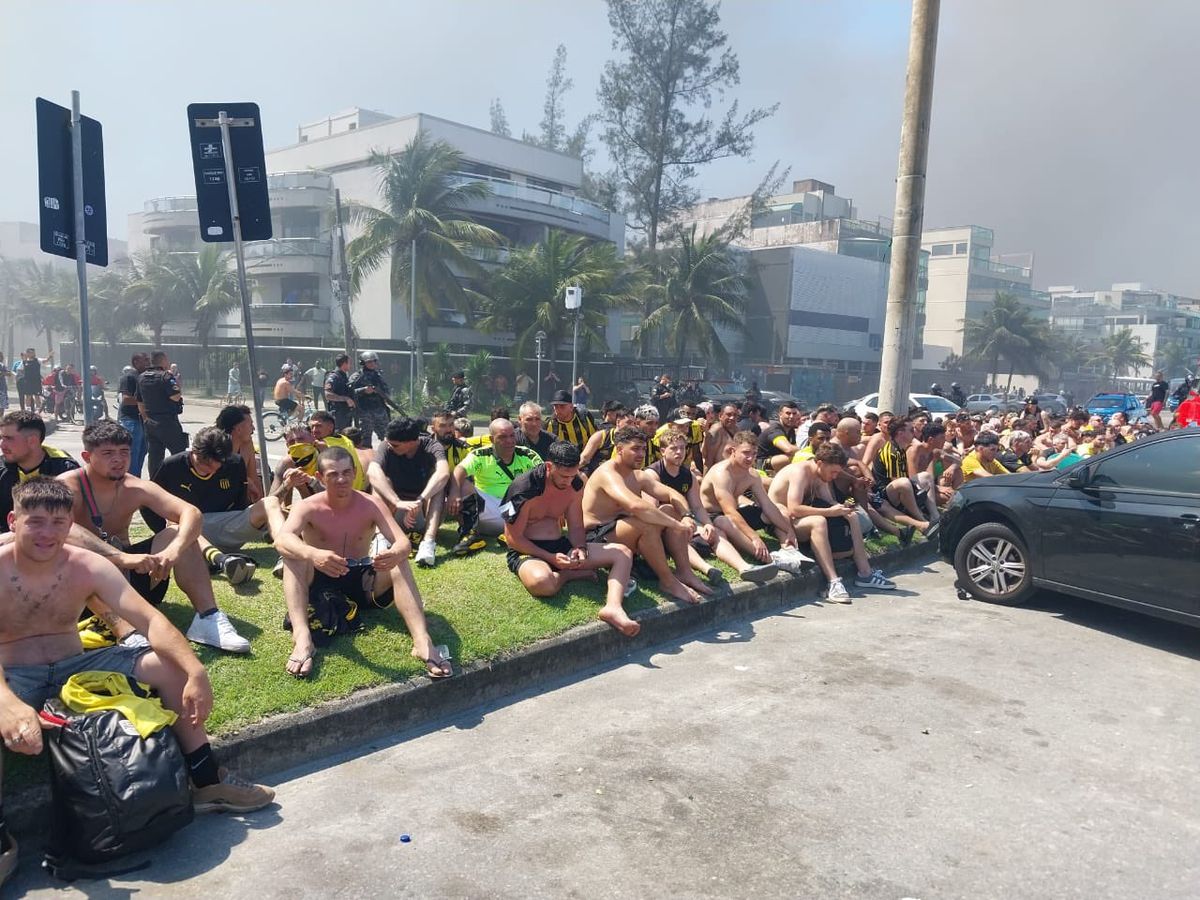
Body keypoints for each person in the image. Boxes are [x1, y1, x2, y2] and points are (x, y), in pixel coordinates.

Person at [0, 477, 274, 874]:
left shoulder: (85, 565)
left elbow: (150, 621)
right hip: (14, 670)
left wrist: (195, 670)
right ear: (13, 520)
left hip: (75, 664)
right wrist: (8, 703)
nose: (48, 533)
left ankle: (206, 778)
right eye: (36, 521)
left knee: (168, 664)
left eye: (59, 523)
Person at [57, 422, 251, 653]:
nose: (118, 460)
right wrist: (119, 557)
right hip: (82, 591)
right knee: (79, 557)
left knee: (178, 533)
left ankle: (207, 618)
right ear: (87, 456)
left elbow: (191, 513)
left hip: (133, 582)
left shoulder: (135, 486)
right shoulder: (66, 486)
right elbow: (62, 528)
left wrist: (173, 551)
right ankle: (125, 632)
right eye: (108, 453)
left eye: (124, 452)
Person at [274, 446, 451, 680]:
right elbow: (282, 540)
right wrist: (313, 554)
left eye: (347, 472)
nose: (341, 479)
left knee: (398, 560)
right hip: (321, 577)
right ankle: (303, 637)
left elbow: (402, 543)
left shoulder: (370, 504)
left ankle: (422, 640)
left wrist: (395, 552)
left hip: (361, 579)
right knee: (293, 556)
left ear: (355, 472)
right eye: (332, 474)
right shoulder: (308, 506)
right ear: (319, 477)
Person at [502, 441, 640, 636]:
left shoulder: (576, 483)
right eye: (563, 476)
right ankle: (569, 575)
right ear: (549, 466)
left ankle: (613, 607)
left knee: (623, 553)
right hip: (528, 551)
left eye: (572, 475)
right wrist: (550, 559)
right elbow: (512, 539)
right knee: (542, 583)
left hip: (561, 545)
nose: (568, 481)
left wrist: (580, 548)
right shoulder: (523, 488)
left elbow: (575, 525)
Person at [582, 426, 713, 605]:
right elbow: (636, 506)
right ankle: (668, 581)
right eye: (635, 448)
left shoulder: (638, 475)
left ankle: (685, 572)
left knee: (670, 509)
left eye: (643, 449)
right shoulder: (608, 473)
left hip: (623, 530)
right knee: (646, 524)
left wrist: (686, 515)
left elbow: (672, 494)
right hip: (597, 537)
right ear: (619, 449)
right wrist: (676, 525)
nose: (641, 454)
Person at [142, 426, 287, 586]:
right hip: (186, 533)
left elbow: (239, 506)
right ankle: (223, 561)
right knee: (183, 519)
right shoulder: (172, 465)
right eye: (202, 462)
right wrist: (163, 531)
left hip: (227, 526)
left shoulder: (235, 463)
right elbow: (147, 502)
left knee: (270, 502)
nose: (206, 469)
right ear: (193, 451)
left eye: (214, 466)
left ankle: (287, 554)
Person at [768, 442, 896, 602]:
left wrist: (843, 509)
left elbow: (830, 502)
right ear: (820, 463)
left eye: (837, 472)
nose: (835, 477)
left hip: (799, 520)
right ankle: (834, 582)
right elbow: (793, 508)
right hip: (781, 522)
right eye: (833, 472)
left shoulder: (821, 475)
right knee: (819, 521)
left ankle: (865, 573)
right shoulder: (800, 472)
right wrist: (830, 511)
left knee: (852, 516)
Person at [646, 429, 777, 584]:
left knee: (717, 532)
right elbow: (651, 511)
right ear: (662, 451)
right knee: (667, 509)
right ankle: (707, 569)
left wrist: (707, 524)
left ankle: (744, 567)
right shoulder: (652, 474)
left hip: (686, 522)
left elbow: (697, 507)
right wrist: (680, 524)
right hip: (663, 527)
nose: (679, 452)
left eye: (682, 448)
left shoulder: (688, 475)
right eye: (673, 448)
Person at [699, 431, 799, 579]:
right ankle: (770, 559)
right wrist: (755, 537)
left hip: (735, 514)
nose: (750, 458)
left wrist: (788, 529)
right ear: (733, 451)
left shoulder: (752, 475)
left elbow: (767, 505)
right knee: (724, 521)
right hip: (713, 516)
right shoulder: (722, 473)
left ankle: (790, 550)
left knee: (779, 509)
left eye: (754, 454)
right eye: (746, 453)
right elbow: (729, 512)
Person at [447, 418, 541, 555]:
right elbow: (459, 470)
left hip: (516, 511)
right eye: (502, 437)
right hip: (485, 512)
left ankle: (512, 534)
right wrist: (454, 493)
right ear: (491, 439)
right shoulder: (480, 455)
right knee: (462, 484)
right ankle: (470, 535)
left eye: (512, 435)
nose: (509, 441)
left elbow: (546, 475)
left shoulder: (527, 454)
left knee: (537, 486)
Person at [367, 417, 448, 568]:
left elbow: (443, 473)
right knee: (381, 481)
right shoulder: (387, 445)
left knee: (439, 486)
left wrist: (420, 499)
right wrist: (398, 502)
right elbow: (372, 472)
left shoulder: (432, 446)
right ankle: (380, 538)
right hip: (392, 512)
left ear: (411, 442)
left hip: (422, 512)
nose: (390, 447)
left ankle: (428, 543)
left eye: (395, 445)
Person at [0, 411, 79, 527]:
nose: (2, 444)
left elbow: (74, 522)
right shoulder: (2, 468)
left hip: (54, 536)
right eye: (1, 438)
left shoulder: (65, 469)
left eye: (8, 438)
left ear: (32, 441)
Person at [868, 416, 938, 537]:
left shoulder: (901, 448)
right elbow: (896, 480)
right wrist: (917, 489)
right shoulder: (890, 452)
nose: (914, 433)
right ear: (900, 433)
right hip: (883, 494)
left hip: (897, 488)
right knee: (904, 483)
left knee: (925, 476)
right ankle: (921, 519)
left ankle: (935, 516)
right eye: (911, 430)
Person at [137, 349, 187, 478]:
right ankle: (179, 480)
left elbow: (140, 402)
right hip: (168, 422)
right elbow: (175, 396)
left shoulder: (141, 377)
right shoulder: (166, 376)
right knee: (179, 453)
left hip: (150, 423)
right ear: (163, 360)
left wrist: (146, 419)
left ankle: (155, 481)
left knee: (155, 455)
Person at [215, 404, 264, 503]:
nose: (253, 429)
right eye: (250, 425)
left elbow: (253, 477)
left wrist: (262, 505)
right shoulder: (215, 448)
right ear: (238, 429)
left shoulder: (247, 444)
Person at [350, 351, 391, 441]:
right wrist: (363, 390)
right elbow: (350, 393)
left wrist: (381, 393)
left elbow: (386, 391)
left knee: (387, 438)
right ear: (363, 363)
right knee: (365, 440)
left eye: (374, 361)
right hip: (364, 412)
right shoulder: (357, 377)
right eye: (369, 362)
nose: (372, 364)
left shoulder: (378, 376)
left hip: (379, 411)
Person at [756, 401, 804, 474]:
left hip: (777, 461)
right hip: (762, 464)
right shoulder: (775, 430)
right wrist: (807, 452)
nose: (791, 416)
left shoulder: (791, 431)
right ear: (780, 414)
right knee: (797, 456)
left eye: (794, 414)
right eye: (788, 413)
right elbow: (789, 449)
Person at [324, 353, 356, 432]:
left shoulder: (343, 376)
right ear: (344, 364)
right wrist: (345, 399)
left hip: (345, 414)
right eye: (349, 363)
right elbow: (328, 395)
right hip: (338, 415)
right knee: (338, 437)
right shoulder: (334, 377)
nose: (350, 365)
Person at [704, 403, 741, 470]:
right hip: (719, 473)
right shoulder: (716, 431)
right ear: (720, 416)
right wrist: (706, 479)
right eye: (729, 415)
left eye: (735, 415)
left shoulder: (737, 430)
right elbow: (708, 460)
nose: (732, 418)